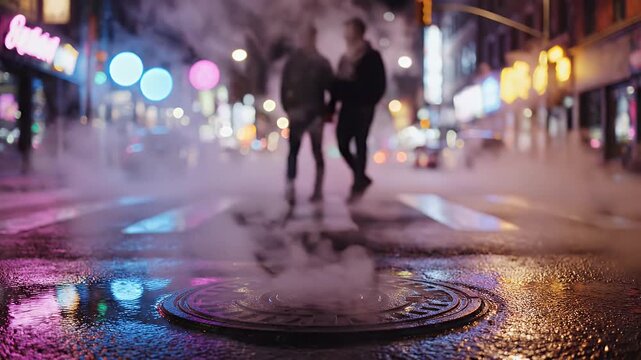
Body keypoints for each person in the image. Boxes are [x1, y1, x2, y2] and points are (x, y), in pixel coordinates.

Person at [331, 17, 386, 203]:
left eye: (349, 29)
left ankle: (357, 183)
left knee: (360, 143)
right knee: (342, 143)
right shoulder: (345, 58)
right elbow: (336, 84)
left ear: (359, 32)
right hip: (347, 106)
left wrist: (369, 100)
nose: (346, 34)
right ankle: (361, 176)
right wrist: (331, 107)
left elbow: (380, 84)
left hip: (363, 106)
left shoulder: (371, 56)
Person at [281, 25, 334, 205]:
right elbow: (284, 87)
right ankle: (290, 187)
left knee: (317, 152)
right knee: (293, 152)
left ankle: (318, 189)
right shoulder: (293, 62)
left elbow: (332, 89)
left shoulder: (321, 62)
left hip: (315, 114)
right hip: (297, 114)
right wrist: (288, 108)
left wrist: (326, 112)